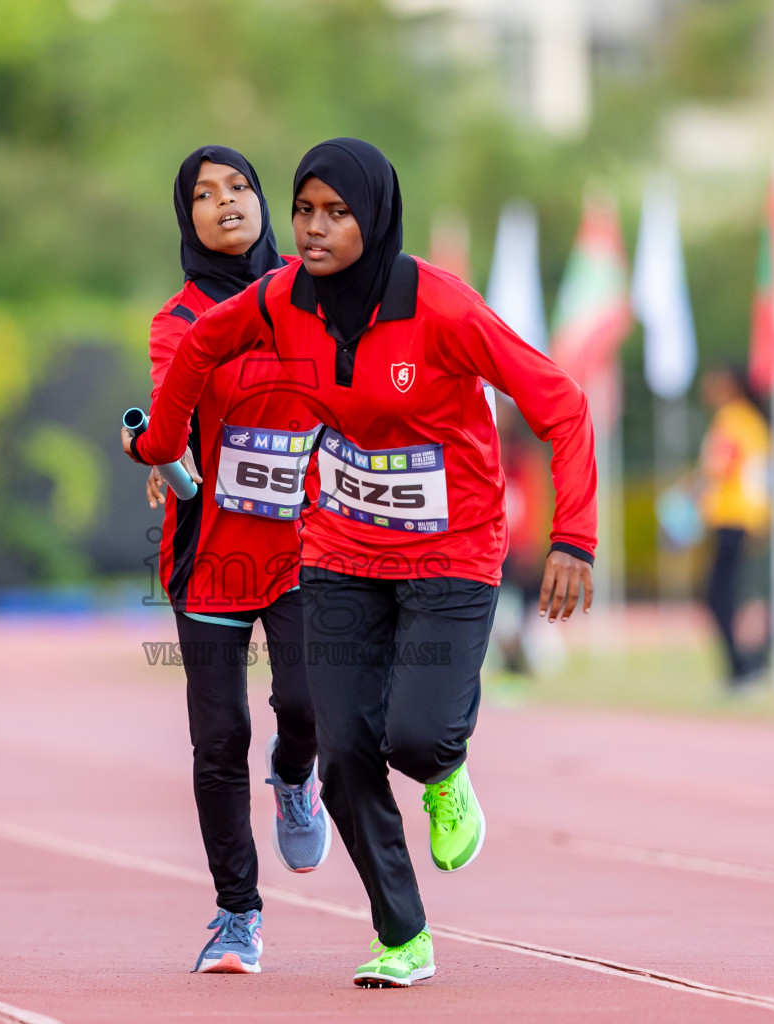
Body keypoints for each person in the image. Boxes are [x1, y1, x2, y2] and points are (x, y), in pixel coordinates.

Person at [126, 138, 596, 987]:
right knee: (343, 750)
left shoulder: (443, 309)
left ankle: (444, 769)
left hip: (453, 546)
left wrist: (574, 538)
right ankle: (401, 933)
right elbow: (194, 352)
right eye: (305, 210)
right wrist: (158, 445)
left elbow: (560, 402)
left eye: (334, 212)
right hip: (339, 549)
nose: (312, 228)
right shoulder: (279, 300)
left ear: (373, 217)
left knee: (414, 736)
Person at [138, 145, 331, 975]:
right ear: (187, 217)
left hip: (305, 543)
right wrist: (157, 453)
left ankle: (296, 777)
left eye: (240, 188)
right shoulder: (176, 321)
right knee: (218, 738)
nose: (225, 204)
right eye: (205, 195)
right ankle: (236, 914)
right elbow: (165, 418)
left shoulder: (317, 294)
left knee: (310, 701)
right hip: (211, 552)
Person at [696, 364, 771, 688]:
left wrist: (692, 495)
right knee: (732, 595)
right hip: (748, 519)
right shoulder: (753, 421)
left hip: (732, 518)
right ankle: (745, 664)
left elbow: (719, 467)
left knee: (718, 595)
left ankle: (741, 666)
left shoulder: (732, 420)